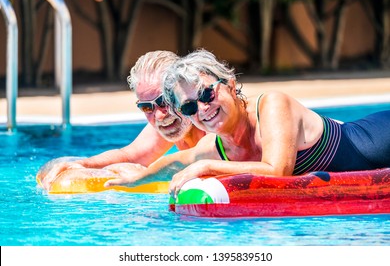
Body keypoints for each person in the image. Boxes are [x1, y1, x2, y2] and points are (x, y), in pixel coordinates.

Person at [104, 48, 390, 198]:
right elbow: (177, 161)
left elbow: (277, 171)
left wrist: (205, 167)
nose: (203, 108)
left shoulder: (272, 105)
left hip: (379, 138)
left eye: (206, 93)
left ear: (229, 82)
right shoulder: (216, 147)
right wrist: (133, 181)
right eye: (190, 106)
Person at [40, 50, 206, 189]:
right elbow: (130, 155)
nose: (159, 116)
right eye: (147, 107)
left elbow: (201, 157)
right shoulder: (173, 120)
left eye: (164, 101)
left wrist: (147, 174)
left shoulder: (211, 117)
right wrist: (84, 164)